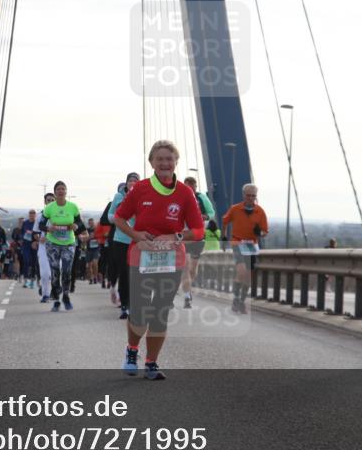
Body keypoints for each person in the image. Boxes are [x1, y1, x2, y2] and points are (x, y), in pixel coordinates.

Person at [114, 141, 203, 380]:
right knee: (141, 311)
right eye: (160, 159)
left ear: (176, 162)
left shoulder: (185, 192)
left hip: (172, 258)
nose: (165, 163)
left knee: (160, 311)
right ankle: (132, 351)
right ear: (151, 162)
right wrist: (136, 235)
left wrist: (175, 236)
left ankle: (151, 362)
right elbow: (119, 218)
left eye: (169, 159)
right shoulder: (140, 189)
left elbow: (198, 230)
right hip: (141, 256)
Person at [39, 182, 85, 312]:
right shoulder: (49, 208)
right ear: (55, 192)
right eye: (58, 189)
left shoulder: (73, 207)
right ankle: (57, 300)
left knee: (66, 271)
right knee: (55, 272)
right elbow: (41, 225)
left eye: (63, 189)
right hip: (52, 244)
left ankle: (66, 296)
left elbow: (80, 223)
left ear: (66, 192)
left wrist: (76, 226)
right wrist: (49, 228)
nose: (61, 191)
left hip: (69, 243)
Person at [222, 184, 268, 314]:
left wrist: (260, 233)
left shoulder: (260, 211)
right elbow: (224, 221)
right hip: (237, 242)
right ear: (243, 195)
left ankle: (241, 302)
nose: (251, 198)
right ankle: (235, 300)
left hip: (252, 245)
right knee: (241, 272)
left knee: (248, 277)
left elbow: (265, 231)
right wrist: (224, 238)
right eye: (248, 195)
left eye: (253, 196)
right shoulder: (235, 209)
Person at [107, 175, 139, 318]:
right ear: (126, 183)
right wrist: (120, 218)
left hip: (137, 239)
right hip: (120, 239)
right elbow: (110, 215)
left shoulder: (143, 196)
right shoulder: (118, 197)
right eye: (130, 180)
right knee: (124, 273)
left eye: (135, 180)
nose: (132, 183)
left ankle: (134, 304)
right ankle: (125, 306)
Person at [180, 176, 215, 309]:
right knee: (186, 267)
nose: (189, 190)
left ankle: (188, 288)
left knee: (193, 270)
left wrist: (204, 216)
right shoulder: (179, 197)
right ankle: (187, 295)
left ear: (195, 188)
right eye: (187, 187)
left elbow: (212, 213)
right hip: (183, 237)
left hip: (198, 237)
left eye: (192, 187)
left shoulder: (202, 198)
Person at [34, 193, 55, 301]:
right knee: (45, 273)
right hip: (43, 247)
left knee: (54, 273)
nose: (50, 202)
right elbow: (35, 232)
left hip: (57, 247)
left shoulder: (59, 215)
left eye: (52, 200)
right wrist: (39, 238)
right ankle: (45, 294)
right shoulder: (40, 216)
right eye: (48, 200)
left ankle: (52, 290)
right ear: (45, 202)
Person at [21, 209, 37, 289]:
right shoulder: (25, 223)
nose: (32, 215)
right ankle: (25, 280)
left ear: (35, 215)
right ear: (28, 214)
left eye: (33, 213)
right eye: (30, 213)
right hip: (26, 245)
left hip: (34, 245)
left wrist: (35, 237)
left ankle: (32, 281)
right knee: (26, 261)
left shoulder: (37, 223)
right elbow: (21, 233)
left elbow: (40, 233)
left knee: (34, 263)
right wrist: (24, 236)